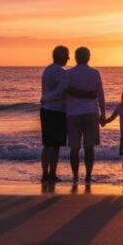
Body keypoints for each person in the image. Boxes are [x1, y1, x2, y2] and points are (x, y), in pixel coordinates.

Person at [42, 46, 105, 185]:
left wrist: (45, 98)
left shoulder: (68, 73)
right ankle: (88, 176)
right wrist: (103, 114)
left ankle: (75, 176)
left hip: (73, 114)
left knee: (74, 148)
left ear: (76, 58)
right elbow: (100, 95)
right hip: (91, 112)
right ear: (89, 57)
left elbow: (61, 91)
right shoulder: (95, 73)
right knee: (89, 147)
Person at [39, 45, 70, 183]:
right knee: (55, 145)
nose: (68, 58)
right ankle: (51, 174)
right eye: (67, 55)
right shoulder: (61, 72)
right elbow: (60, 92)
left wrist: (45, 98)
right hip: (56, 111)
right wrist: (46, 98)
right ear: (61, 56)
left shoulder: (47, 70)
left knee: (47, 144)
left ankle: (45, 174)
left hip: (46, 110)